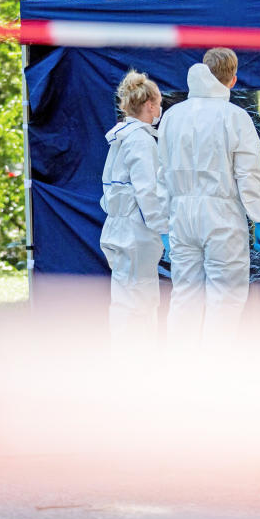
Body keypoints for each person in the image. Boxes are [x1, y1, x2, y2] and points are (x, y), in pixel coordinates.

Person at [159, 47, 260, 342]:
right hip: (222, 217)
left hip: (181, 218)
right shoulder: (235, 117)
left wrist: (162, 226)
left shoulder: (171, 116)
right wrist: (259, 219)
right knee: (225, 300)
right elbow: (249, 175)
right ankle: (215, 370)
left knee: (184, 298)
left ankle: (181, 367)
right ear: (233, 79)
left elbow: (161, 174)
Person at [100, 71, 168, 341]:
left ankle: (125, 358)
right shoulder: (140, 140)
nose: (160, 109)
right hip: (136, 232)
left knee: (124, 297)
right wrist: (162, 228)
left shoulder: (121, 137)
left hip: (119, 227)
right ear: (150, 104)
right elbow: (147, 191)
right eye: (159, 103)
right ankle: (137, 361)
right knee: (140, 300)